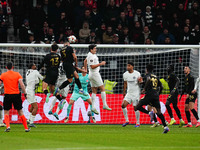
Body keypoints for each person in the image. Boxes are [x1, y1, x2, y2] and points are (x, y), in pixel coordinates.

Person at [135, 64, 169, 133]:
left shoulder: (147, 75)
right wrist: (158, 94)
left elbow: (148, 80)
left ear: (146, 69)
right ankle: (166, 127)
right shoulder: (156, 76)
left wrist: (144, 89)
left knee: (136, 107)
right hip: (155, 95)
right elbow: (161, 86)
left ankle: (149, 113)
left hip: (149, 94)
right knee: (159, 112)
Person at [0, 62, 30, 132]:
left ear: (6, 67)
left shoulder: (3, 75)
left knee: (6, 111)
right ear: (13, 67)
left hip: (7, 95)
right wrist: (25, 93)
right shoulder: (17, 74)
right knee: (20, 111)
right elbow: (22, 84)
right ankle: (26, 128)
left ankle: (8, 127)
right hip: (16, 95)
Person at [84, 44, 112, 111]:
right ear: (91, 50)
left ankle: (93, 107)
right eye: (94, 48)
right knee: (102, 88)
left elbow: (85, 61)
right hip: (94, 74)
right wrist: (100, 64)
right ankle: (104, 104)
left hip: (91, 74)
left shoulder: (90, 54)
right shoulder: (91, 56)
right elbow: (92, 66)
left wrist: (85, 69)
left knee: (94, 90)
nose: (96, 49)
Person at [121, 62, 142, 127]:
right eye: (127, 66)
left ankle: (138, 123)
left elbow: (141, 82)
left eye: (129, 66)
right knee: (123, 105)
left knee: (136, 108)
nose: (127, 67)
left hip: (136, 93)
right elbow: (125, 83)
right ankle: (127, 121)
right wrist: (124, 92)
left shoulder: (137, 73)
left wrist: (140, 81)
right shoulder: (125, 74)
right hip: (129, 93)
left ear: (132, 66)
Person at [26, 63, 43, 128]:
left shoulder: (27, 72)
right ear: (32, 66)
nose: (35, 66)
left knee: (32, 106)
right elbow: (41, 78)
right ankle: (31, 122)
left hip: (28, 89)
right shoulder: (35, 71)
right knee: (36, 107)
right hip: (30, 91)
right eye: (34, 65)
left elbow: (35, 81)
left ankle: (29, 119)